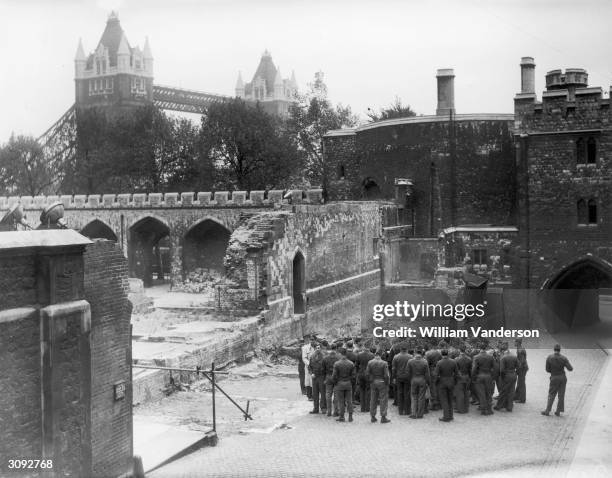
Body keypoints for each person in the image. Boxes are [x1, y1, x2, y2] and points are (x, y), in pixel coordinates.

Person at [542, 344, 573, 417]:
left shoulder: (549, 357)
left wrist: (553, 371)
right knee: (561, 395)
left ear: (554, 349)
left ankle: (547, 410)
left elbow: (547, 369)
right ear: (560, 350)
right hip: (562, 378)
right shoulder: (564, 358)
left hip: (554, 377)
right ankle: (558, 411)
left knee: (551, 394)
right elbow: (570, 368)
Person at [366, 350, 391, 423]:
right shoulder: (384, 363)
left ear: (375, 355)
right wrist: (387, 383)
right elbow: (386, 375)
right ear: (380, 355)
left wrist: (370, 380)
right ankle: (383, 417)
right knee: (383, 399)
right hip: (382, 382)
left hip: (373, 382)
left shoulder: (370, 362)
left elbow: (367, 373)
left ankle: (373, 416)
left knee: (373, 399)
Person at [434, 349, 458, 422]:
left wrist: (436, 382)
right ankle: (450, 416)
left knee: (444, 400)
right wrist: (455, 382)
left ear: (441, 354)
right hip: (451, 381)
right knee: (450, 399)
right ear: (448, 354)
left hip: (442, 382)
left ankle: (446, 417)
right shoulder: (453, 361)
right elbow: (456, 373)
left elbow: (436, 374)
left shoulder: (439, 363)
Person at [332, 347, 356, 422]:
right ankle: (350, 416)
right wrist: (350, 382)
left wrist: (336, 383)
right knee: (349, 400)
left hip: (340, 383)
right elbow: (354, 376)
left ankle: (342, 417)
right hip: (348, 383)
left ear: (340, 354)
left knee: (341, 401)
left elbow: (334, 375)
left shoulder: (337, 363)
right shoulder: (351, 363)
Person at [472, 345, 496, 415]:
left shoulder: (476, 357)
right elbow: (495, 368)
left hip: (479, 376)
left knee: (481, 393)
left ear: (480, 349)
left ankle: (483, 409)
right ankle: (489, 409)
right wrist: (493, 377)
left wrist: (473, 378)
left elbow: (474, 369)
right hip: (488, 376)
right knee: (488, 393)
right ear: (486, 349)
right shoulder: (491, 357)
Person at [408, 348, 430, 419]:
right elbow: (427, 374)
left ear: (415, 353)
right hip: (422, 380)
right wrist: (428, 382)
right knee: (421, 397)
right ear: (421, 354)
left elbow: (408, 372)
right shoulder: (425, 362)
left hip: (414, 379)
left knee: (414, 397)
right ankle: (420, 414)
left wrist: (410, 380)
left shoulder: (410, 361)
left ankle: (413, 413)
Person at [495, 348, 519, 412]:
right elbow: (518, 367)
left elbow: (502, 370)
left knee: (503, 391)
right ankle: (509, 407)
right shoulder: (515, 357)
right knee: (511, 391)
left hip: (506, 375)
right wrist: (515, 373)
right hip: (513, 375)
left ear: (505, 353)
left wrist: (502, 377)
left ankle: (499, 406)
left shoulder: (503, 358)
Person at [392, 344, 412, 415]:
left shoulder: (396, 357)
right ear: (406, 349)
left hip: (399, 377)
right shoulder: (410, 357)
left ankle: (400, 410)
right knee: (407, 393)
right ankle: (407, 411)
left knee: (400, 393)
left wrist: (393, 377)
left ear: (400, 349)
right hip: (407, 377)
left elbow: (393, 368)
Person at [322, 343, 340, 416]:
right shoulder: (339, 357)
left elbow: (322, 369)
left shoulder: (325, 358)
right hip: (336, 377)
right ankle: (336, 411)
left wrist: (324, 378)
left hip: (328, 376)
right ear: (336, 348)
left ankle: (329, 411)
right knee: (336, 395)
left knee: (328, 394)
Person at [309, 342, 327, 414]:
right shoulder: (312, 356)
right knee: (315, 394)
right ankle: (315, 409)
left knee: (323, 393)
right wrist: (311, 373)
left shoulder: (324, 356)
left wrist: (325, 376)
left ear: (321, 348)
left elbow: (326, 367)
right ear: (314, 348)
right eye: (316, 348)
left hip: (321, 376)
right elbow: (309, 367)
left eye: (319, 348)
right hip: (314, 377)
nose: (317, 349)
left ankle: (323, 408)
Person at [356, 345, 375, 412]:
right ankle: (367, 408)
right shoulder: (372, 355)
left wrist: (358, 372)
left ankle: (362, 408)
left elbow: (356, 365)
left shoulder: (359, 355)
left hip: (361, 374)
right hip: (369, 374)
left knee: (362, 390)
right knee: (368, 390)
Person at [454, 346, 472, 414]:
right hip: (467, 376)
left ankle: (461, 409)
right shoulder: (469, 359)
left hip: (460, 377)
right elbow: (470, 369)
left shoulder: (456, 359)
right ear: (465, 350)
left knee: (460, 393)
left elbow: (455, 370)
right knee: (466, 393)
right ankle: (466, 408)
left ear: (459, 350)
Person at [302, 335, 317, 400]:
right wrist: (310, 364)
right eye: (311, 339)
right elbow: (304, 358)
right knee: (308, 381)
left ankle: (315, 396)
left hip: (316, 367)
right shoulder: (305, 347)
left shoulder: (317, 347)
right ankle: (309, 396)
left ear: (315, 340)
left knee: (315, 381)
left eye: (313, 339)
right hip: (308, 367)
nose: (312, 341)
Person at [514, 338, 528, 403]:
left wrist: (518, 368)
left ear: (518, 342)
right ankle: (517, 396)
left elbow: (522, 361)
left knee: (521, 383)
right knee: (519, 382)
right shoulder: (519, 349)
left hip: (522, 368)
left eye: (515, 342)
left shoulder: (520, 350)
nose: (514, 343)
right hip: (521, 368)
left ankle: (522, 399)